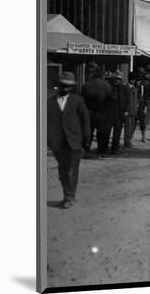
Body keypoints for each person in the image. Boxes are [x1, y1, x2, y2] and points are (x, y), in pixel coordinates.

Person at [47, 72, 90, 209]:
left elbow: (85, 120)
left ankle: (69, 197)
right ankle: (68, 194)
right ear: (59, 85)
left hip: (74, 140)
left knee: (72, 169)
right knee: (63, 170)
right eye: (63, 86)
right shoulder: (49, 101)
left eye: (69, 87)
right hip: (58, 142)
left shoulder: (77, 100)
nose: (66, 89)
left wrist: (86, 139)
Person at [82, 66, 113, 157]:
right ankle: (101, 151)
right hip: (102, 112)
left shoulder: (86, 85)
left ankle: (87, 149)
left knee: (88, 132)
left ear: (93, 75)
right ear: (102, 75)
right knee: (102, 133)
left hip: (89, 112)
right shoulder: (107, 86)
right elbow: (110, 100)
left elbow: (82, 99)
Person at [108, 70, 130, 155]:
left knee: (117, 131)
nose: (117, 80)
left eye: (119, 79)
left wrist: (126, 111)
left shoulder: (124, 88)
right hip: (110, 111)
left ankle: (115, 149)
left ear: (121, 80)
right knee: (107, 130)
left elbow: (128, 101)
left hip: (120, 112)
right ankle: (104, 148)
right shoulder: (109, 87)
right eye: (116, 78)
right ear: (114, 78)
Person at [124, 72, 139, 149]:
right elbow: (124, 100)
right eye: (132, 79)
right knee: (128, 127)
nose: (133, 81)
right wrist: (125, 110)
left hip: (134, 111)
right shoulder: (125, 88)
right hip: (128, 111)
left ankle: (129, 140)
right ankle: (127, 142)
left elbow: (136, 100)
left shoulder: (135, 89)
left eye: (134, 80)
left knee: (132, 127)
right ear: (129, 79)